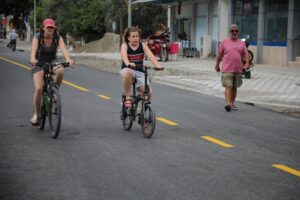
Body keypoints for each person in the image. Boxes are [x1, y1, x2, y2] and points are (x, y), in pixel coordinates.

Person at [29, 18, 74, 125]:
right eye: (48, 27)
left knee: (61, 71)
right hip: (39, 63)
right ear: (43, 28)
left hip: (52, 62)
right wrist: (32, 58)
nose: (50, 29)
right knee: (39, 88)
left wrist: (68, 59)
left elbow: (63, 49)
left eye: (52, 27)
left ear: (54, 28)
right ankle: (36, 114)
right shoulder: (38, 37)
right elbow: (33, 50)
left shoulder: (57, 37)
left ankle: (54, 90)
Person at [120, 26, 162, 108]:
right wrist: (128, 63)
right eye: (133, 36)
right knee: (127, 73)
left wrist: (157, 65)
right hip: (128, 69)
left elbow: (150, 55)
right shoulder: (125, 45)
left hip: (140, 71)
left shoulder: (142, 45)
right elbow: (124, 57)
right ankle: (128, 97)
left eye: (137, 36)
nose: (136, 38)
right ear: (128, 38)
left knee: (148, 92)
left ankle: (144, 110)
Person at [215, 24, 249, 112]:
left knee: (234, 87)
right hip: (227, 68)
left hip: (238, 69)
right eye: (232, 31)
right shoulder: (224, 42)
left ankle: (232, 103)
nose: (234, 32)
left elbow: (246, 54)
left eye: (236, 31)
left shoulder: (241, 43)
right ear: (230, 32)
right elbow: (219, 55)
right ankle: (228, 104)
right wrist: (217, 65)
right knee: (228, 86)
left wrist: (247, 63)